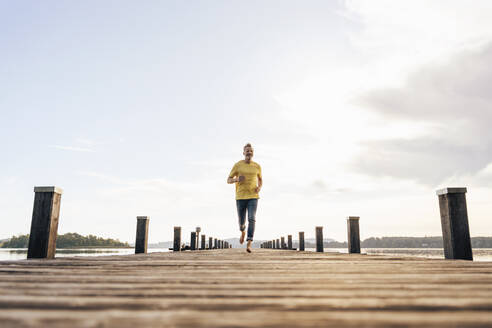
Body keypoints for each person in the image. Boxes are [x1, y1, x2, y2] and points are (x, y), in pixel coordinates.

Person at [227, 143, 262, 253]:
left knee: (252, 218)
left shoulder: (257, 166)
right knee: (241, 222)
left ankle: (249, 242)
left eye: (251, 151)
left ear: (253, 153)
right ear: (243, 152)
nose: (249, 152)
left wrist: (259, 187)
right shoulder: (238, 165)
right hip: (240, 197)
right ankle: (243, 231)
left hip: (253, 196)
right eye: (247, 150)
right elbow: (228, 180)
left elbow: (260, 179)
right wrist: (237, 180)